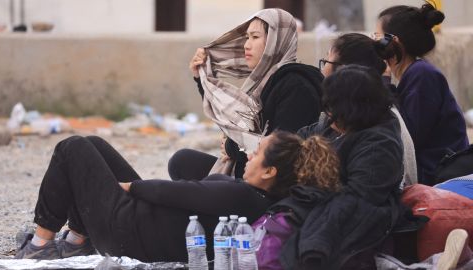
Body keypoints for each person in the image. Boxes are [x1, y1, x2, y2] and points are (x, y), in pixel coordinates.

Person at [14, 130, 338, 262]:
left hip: (127, 230)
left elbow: (188, 193)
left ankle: (40, 246)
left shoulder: (246, 199)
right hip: (136, 222)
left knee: (73, 148)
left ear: (270, 172)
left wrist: (133, 187)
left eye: (257, 154)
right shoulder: (250, 195)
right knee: (94, 145)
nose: (249, 157)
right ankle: (76, 241)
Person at [168, 8, 323, 180]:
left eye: (255, 37)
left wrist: (231, 147)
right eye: (247, 37)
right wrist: (200, 78)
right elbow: (230, 119)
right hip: (245, 170)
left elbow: (280, 151)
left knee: (204, 184)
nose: (246, 45)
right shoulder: (262, 81)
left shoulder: (297, 87)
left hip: (268, 186)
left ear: (274, 41)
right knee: (182, 161)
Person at [284, 65, 405, 269]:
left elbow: (356, 201)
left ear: (352, 107)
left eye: (332, 107)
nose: (328, 114)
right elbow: (301, 137)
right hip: (305, 202)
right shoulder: (340, 125)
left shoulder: (379, 146)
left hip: (327, 220)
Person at [374, 3, 469, 185]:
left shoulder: (422, 75)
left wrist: (384, 84)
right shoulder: (414, 73)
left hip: (437, 175)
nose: (375, 44)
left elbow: (408, 136)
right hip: (430, 171)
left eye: (377, 37)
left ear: (394, 42)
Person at [318, 32, 417, 187]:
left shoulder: (376, 128)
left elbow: (358, 199)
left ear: (344, 71)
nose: (323, 71)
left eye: (326, 62)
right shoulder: (357, 111)